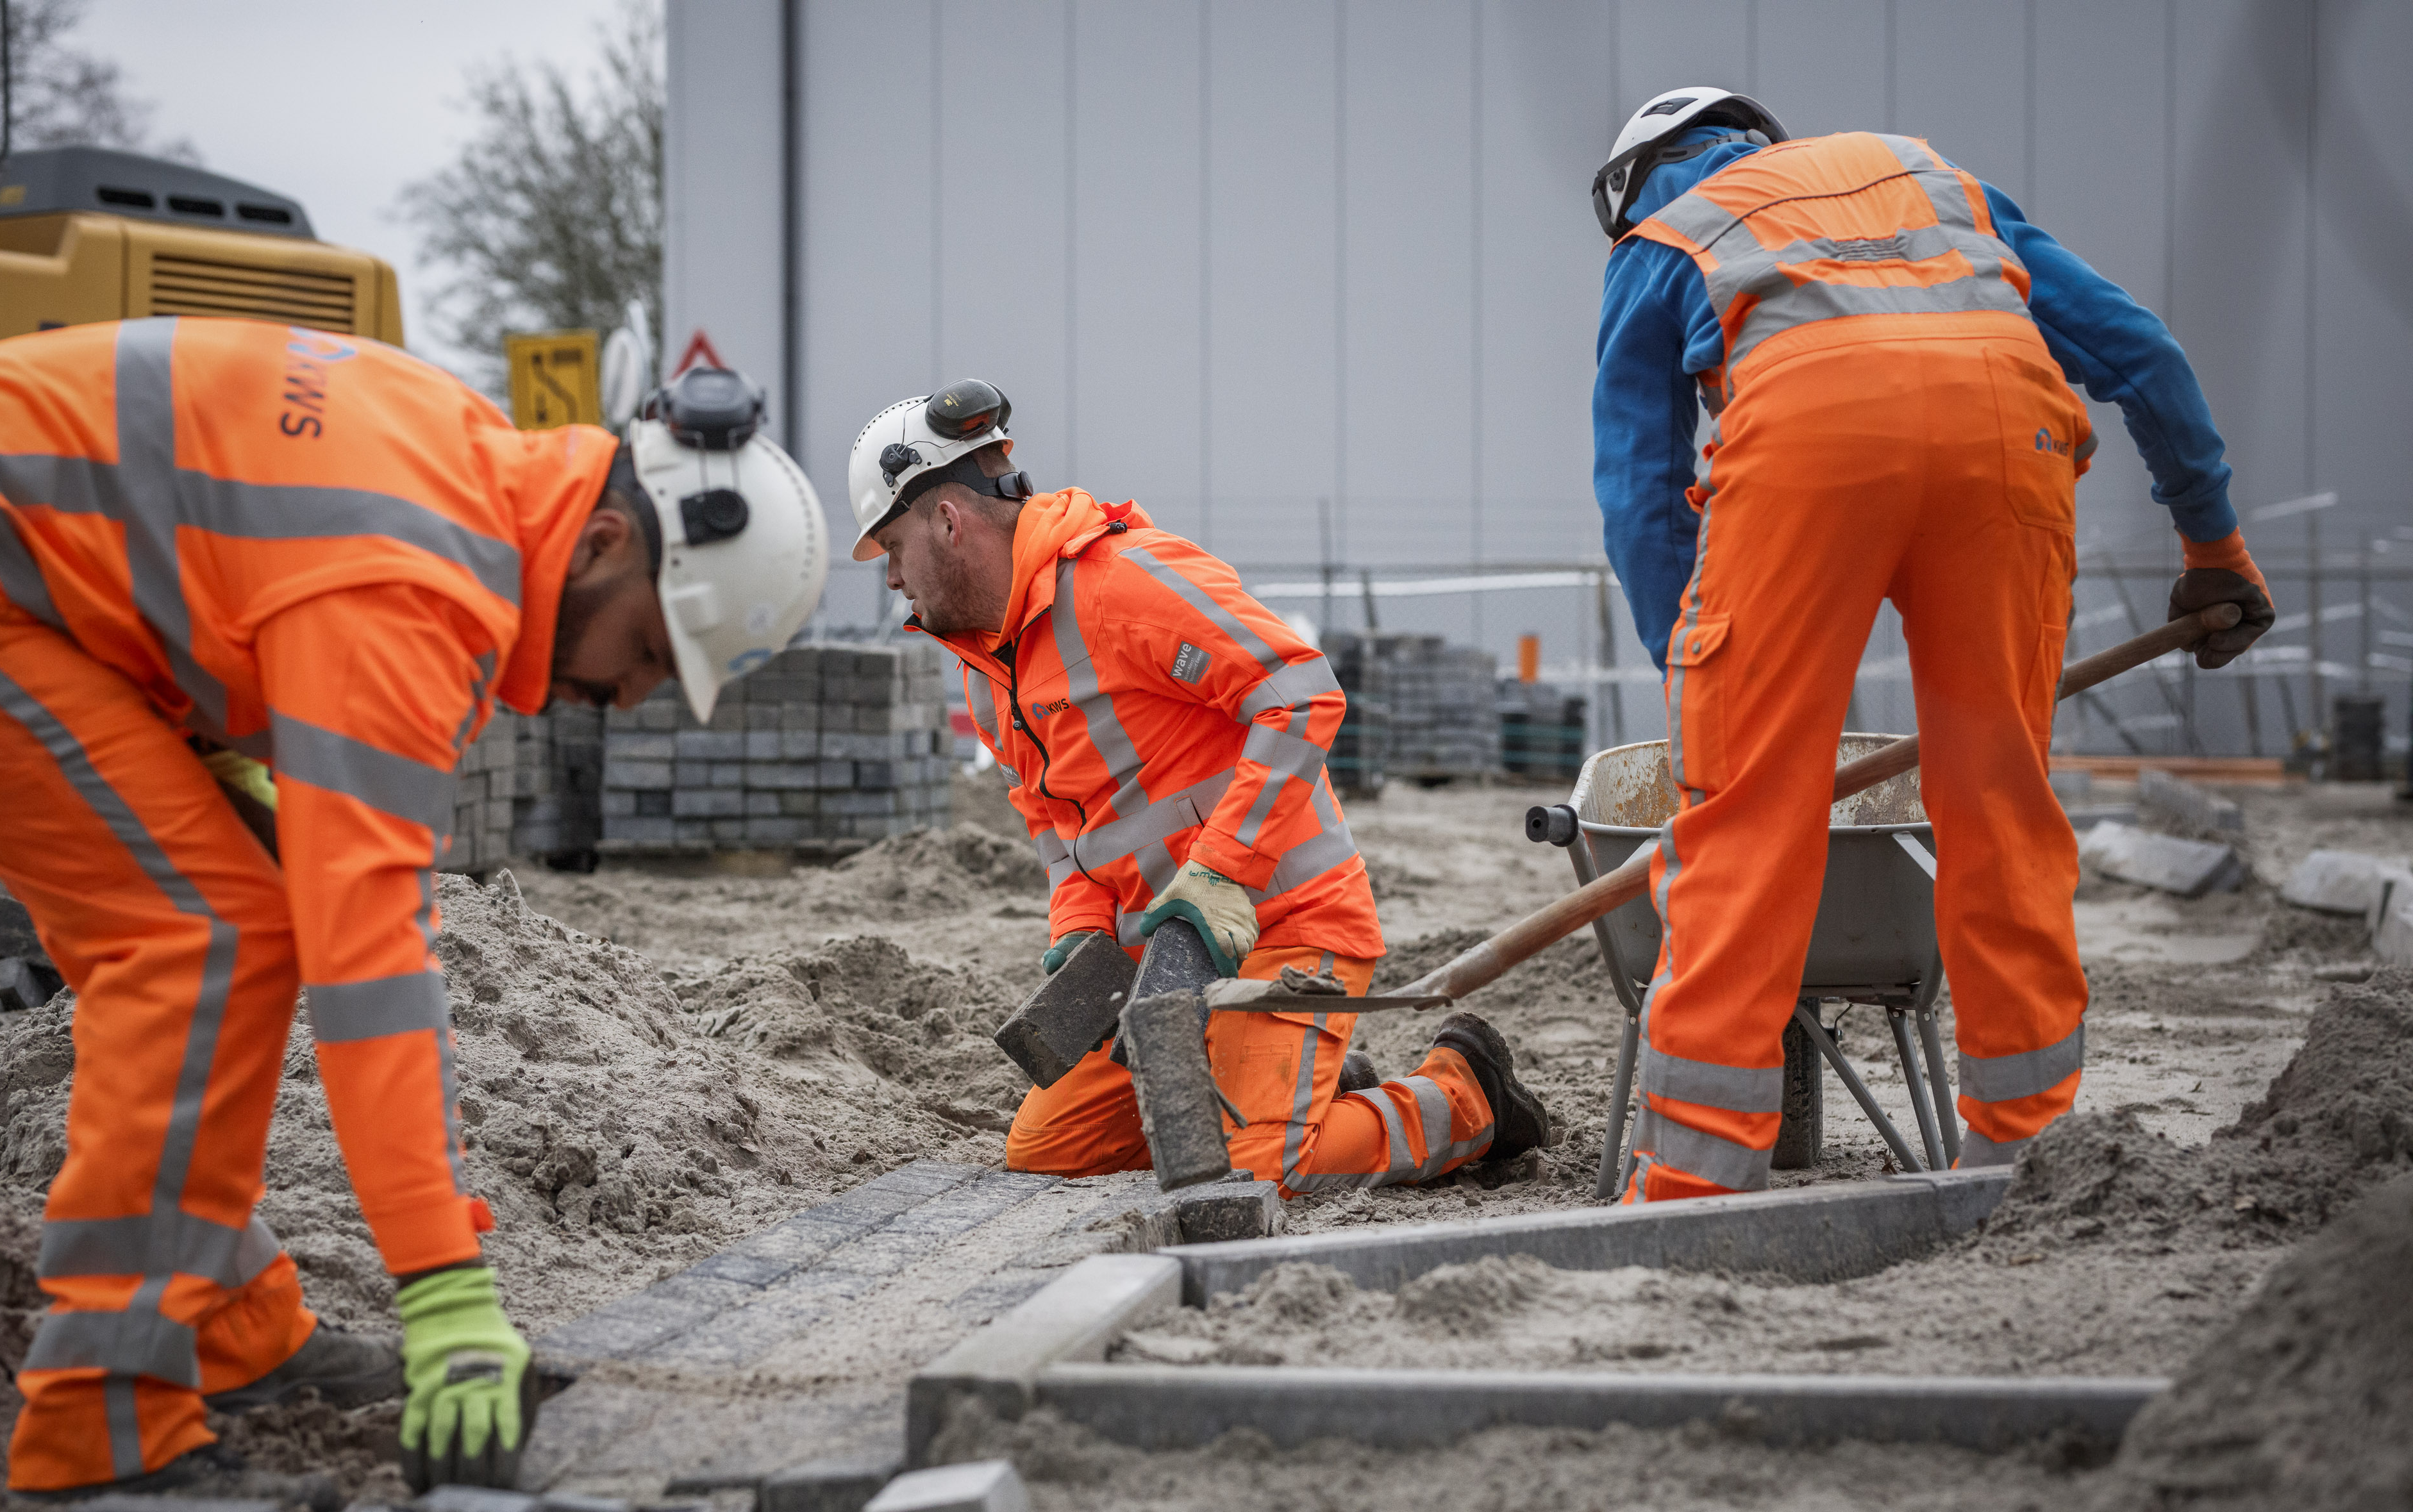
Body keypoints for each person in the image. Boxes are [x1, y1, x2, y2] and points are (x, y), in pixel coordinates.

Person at [0, 323, 826, 1496]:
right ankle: (100, 1424)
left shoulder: (464, 471)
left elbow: (193, 553)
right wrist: (447, 1291)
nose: (632, 695)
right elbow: (373, 972)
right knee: (200, 938)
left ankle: (227, 1326)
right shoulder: (414, 590)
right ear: (607, 540)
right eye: (656, 652)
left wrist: (229, 751)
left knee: (225, 910)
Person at [1589, 88, 2275, 1201]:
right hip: (2009, 431)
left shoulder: (1660, 240)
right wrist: (2214, 542)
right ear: (1765, 142)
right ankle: (2026, 1157)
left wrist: (1698, 670)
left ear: (1625, 191)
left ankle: (1694, 1184)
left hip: (1811, 445)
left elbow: (1638, 491)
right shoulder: (1935, 183)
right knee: (2000, 796)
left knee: (1748, 818)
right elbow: (2142, 355)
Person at [846, 381, 1548, 1193]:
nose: (892, 577)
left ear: (946, 518)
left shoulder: (1123, 582)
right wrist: (1080, 928)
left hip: (1287, 923)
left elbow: (1300, 693)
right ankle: (1289, 1083)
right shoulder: (986, 669)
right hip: (1158, 962)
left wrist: (1222, 871)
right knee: (1050, 1153)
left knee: (1258, 1171)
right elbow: (1053, 823)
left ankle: (1467, 1098)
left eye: (892, 547)